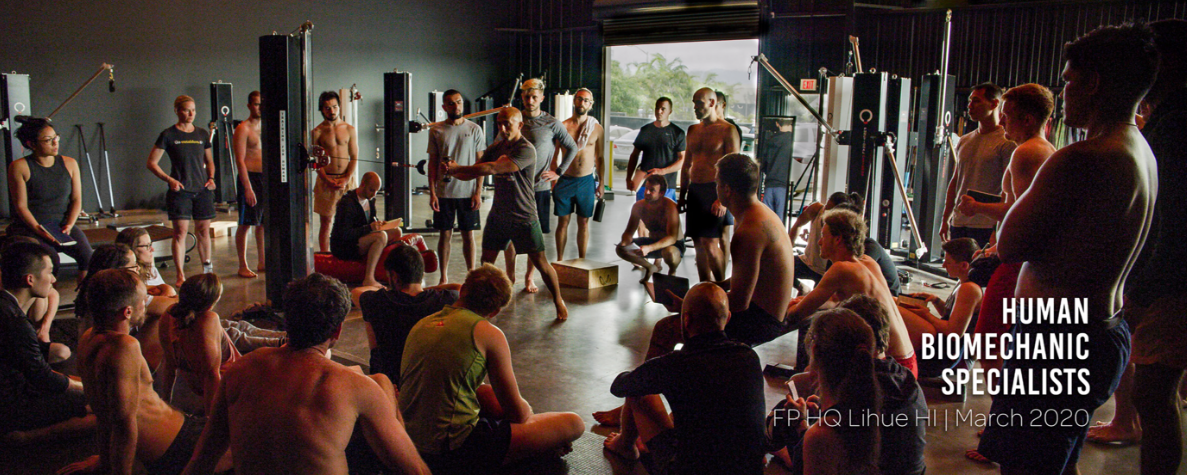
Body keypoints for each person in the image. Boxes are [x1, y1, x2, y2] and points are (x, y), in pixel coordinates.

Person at [976, 24, 1159, 475]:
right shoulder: (1141, 150)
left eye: (1069, 80)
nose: (1065, 91)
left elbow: (1011, 243)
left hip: (1056, 342)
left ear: (1093, 82)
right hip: (1101, 329)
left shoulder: (1084, 157)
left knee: (1028, 466)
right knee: (1058, 460)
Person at [180, 273, 428, 475]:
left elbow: (201, 461)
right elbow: (415, 471)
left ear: (287, 322)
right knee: (382, 386)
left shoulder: (242, 369)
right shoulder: (354, 387)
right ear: (338, 331)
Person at [1083, 21, 1187, 475]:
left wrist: (1145, 285)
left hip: (1170, 280)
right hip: (1164, 275)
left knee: (1154, 391)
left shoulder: (1175, 122)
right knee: (1153, 389)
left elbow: (1174, 215)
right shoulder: (1163, 119)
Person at [399, 264, 584, 473]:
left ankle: (531, 446)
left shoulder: (423, 323)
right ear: (495, 311)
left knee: (485, 390)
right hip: (453, 450)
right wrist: (538, 428)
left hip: (407, 441)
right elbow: (517, 414)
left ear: (462, 290)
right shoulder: (488, 332)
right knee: (574, 423)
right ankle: (532, 450)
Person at [61, 269, 232, 475]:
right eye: (144, 300)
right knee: (257, 439)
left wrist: (104, 461)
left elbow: (104, 412)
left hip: (179, 431)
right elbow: (124, 424)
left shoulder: (88, 338)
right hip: (176, 444)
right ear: (127, 311)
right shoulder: (124, 346)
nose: (147, 305)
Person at [603, 282, 765, 475]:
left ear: (686, 320)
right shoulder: (749, 356)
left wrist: (643, 371)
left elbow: (620, 387)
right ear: (728, 318)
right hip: (749, 469)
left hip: (689, 470)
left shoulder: (676, 364)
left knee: (639, 392)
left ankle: (625, 446)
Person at [956, 83, 1056, 387]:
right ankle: (1011, 412)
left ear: (1027, 119)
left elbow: (1021, 213)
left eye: (1008, 115)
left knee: (987, 341)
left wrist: (978, 208)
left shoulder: (1026, 152)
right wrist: (995, 243)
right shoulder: (1042, 150)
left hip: (1017, 263)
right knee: (1008, 343)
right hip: (1019, 258)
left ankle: (1006, 413)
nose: (1002, 122)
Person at [443, 107, 569, 320]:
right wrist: (452, 171)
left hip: (524, 215)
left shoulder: (526, 149)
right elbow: (476, 169)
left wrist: (458, 169)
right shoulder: (497, 147)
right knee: (486, 263)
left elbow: (493, 168)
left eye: (507, 124)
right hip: (498, 215)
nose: (502, 128)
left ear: (519, 125)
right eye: (499, 124)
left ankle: (558, 300)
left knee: (541, 262)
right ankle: (479, 305)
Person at [786, 209, 916, 377]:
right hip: (907, 362)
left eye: (823, 235)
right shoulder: (867, 262)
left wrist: (791, 305)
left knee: (814, 365)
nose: (819, 242)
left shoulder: (841, 269)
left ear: (837, 239)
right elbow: (833, 300)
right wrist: (806, 300)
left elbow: (796, 315)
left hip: (891, 369)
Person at [766, 308, 882, 475]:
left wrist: (802, 427)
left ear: (813, 350)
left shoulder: (822, 435)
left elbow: (824, 447)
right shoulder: (868, 406)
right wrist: (803, 425)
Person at [0, 241, 94, 446]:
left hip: (13, 387)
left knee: (61, 353)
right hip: (10, 406)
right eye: (50, 272)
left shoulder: (6, 305)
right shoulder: (15, 321)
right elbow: (42, 378)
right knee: (101, 408)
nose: (53, 279)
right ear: (30, 279)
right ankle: (25, 438)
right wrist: (89, 389)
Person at [158, 274, 286, 416]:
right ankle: (282, 340)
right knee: (241, 337)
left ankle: (280, 338)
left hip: (205, 378)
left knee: (237, 327)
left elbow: (169, 365)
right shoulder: (208, 320)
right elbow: (211, 377)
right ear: (210, 304)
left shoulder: (169, 315)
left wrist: (165, 402)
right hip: (230, 386)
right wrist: (211, 419)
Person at [508, 78, 580, 292]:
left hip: (538, 189)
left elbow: (572, 147)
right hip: (514, 188)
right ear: (522, 97)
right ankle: (510, 276)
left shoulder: (551, 123)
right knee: (512, 235)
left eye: (534, 97)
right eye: (526, 96)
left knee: (534, 238)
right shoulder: (514, 119)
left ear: (541, 98)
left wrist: (558, 172)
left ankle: (529, 277)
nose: (530, 100)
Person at [358, 244, 460, 384]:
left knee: (373, 323)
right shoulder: (447, 300)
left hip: (388, 381)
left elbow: (357, 292)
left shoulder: (375, 300)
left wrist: (386, 288)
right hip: (430, 382)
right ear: (421, 273)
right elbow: (459, 287)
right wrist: (423, 289)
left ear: (394, 276)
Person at [6, 117, 93, 281]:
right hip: (30, 227)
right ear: (31, 144)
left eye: (56, 137)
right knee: (50, 260)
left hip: (60, 225)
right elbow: (21, 206)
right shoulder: (19, 167)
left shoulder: (70, 163)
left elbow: (76, 200)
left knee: (87, 256)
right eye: (48, 140)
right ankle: (46, 301)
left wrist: (69, 224)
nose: (55, 143)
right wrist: (40, 230)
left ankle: (83, 300)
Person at [147, 95, 217, 288]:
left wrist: (211, 178)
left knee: (203, 230)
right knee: (180, 233)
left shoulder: (202, 134)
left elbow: (209, 161)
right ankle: (180, 275)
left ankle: (207, 271)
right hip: (180, 191)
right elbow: (151, 163)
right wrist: (169, 180)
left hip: (202, 189)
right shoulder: (168, 134)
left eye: (193, 110)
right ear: (177, 110)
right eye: (186, 110)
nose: (191, 113)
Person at [940, 83, 1015, 247]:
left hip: (986, 225)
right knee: (956, 270)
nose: (970, 106)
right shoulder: (965, 140)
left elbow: (1008, 191)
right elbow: (956, 181)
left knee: (978, 271)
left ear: (994, 104)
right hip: (959, 221)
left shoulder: (1006, 142)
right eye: (970, 101)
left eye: (976, 101)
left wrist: (998, 228)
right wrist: (946, 218)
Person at [898, 238, 983, 378]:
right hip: (946, 349)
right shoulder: (963, 283)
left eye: (948, 262)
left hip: (945, 355)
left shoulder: (969, 289)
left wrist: (927, 315)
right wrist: (936, 301)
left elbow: (954, 332)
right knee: (897, 303)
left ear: (964, 265)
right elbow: (954, 317)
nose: (943, 265)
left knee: (896, 310)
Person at [679, 88, 740, 282]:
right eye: (694, 103)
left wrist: (722, 201)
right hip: (695, 191)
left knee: (711, 244)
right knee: (698, 244)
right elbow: (687, 164)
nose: (695, 108)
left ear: (712, 103)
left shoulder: (727, 130)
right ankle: (704, 288)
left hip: (715, 191)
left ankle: (722, 289)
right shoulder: (693, 130)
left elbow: (734, 168)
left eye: (699, 103)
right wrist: (682, 194)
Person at [428, 89, 485, 285]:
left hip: (467, 191)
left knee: (468, 234)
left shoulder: (475, 129)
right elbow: (432, 163)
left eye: (459, 102)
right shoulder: (436, 130)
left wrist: (478, 191)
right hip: (444, 191)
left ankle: (472, 275)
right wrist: (432, 192)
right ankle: (443, 277)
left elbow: (480, 164)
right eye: (451, 103)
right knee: (445, 234)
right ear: (444, 107)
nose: (456, 106)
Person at [554, 88, 605, 261]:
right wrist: (554, 180)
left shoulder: (596, 128)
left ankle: (582, 260)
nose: (582, 103)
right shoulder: (562, 126)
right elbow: (554, 157)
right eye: (579, 99)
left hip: (586, 182)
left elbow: (600, 157)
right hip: (565, 180)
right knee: (563, 223)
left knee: (583, 223)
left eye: (586, 101)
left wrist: (601, 183)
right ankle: (560, 260)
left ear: (590, 105)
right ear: (574, 101)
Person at [329, 171, 403, 289]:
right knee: (381, 236)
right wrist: (370, 228)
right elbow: (344, 234)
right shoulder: (347, 203)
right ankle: (369, 278)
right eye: (371, 190)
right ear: (362, 184)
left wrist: (379, 224)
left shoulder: (370, 200)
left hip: (360, 237)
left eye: (376, 191)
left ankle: (386, 268)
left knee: (397, 231)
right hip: (345, 245)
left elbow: (370, 221)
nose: (374, 194)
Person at [312, 91, 360, 253]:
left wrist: (346, 178)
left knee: (352, 219)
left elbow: (354, 156)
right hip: (327, 181)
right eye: (327, 108)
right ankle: (325, 255)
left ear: (339, 107)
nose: (331, 111)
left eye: (334, 107)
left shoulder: (349, 129)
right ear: (322, 110)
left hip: (347, 181)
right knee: (326, 221)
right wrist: (326, 180)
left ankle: (349, 253)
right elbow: (315, 161)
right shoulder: (317, 132)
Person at [616, 174, 683, 284]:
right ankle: (650, 267)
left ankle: (672, 272)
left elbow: (672, 238)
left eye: (652, 190)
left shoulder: (670, 207)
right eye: (646, 188)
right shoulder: (638, 206)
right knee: (620, 249)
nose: (646, 192)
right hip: (653, 241)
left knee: (670, 253)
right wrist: (625, 241)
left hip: (674, 244)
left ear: (661, 193)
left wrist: (649, 248)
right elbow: (628, 232)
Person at [626, 97, 685, 203]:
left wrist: (662, 171)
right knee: (643, 217)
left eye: (663, 109)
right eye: (657, 108)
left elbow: (682, 160)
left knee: (666, 217)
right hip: (645, 184)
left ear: (670, 111)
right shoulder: (645, 130)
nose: (659, 111)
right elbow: (634, 155)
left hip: (667, 185)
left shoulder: (677, 133)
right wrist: (628, 178)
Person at [233, 90, 265, 278]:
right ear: (249, 105)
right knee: (246, 223)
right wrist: (247, 187)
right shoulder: (243, 128)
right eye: (255, 104)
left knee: (263, 223)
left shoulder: (267, 127)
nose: (259, 107)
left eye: (262, 104)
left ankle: (262, 261)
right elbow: (240, 161)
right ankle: (242, 265)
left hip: (265, 179)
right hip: (250, 178)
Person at [760, 118, 796, 220]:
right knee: (780, 219)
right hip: (782, 184)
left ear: (777, 124)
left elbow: (763, 164)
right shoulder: (790, 140)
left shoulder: (769, 141)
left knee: (767, 218)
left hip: (769, 183)